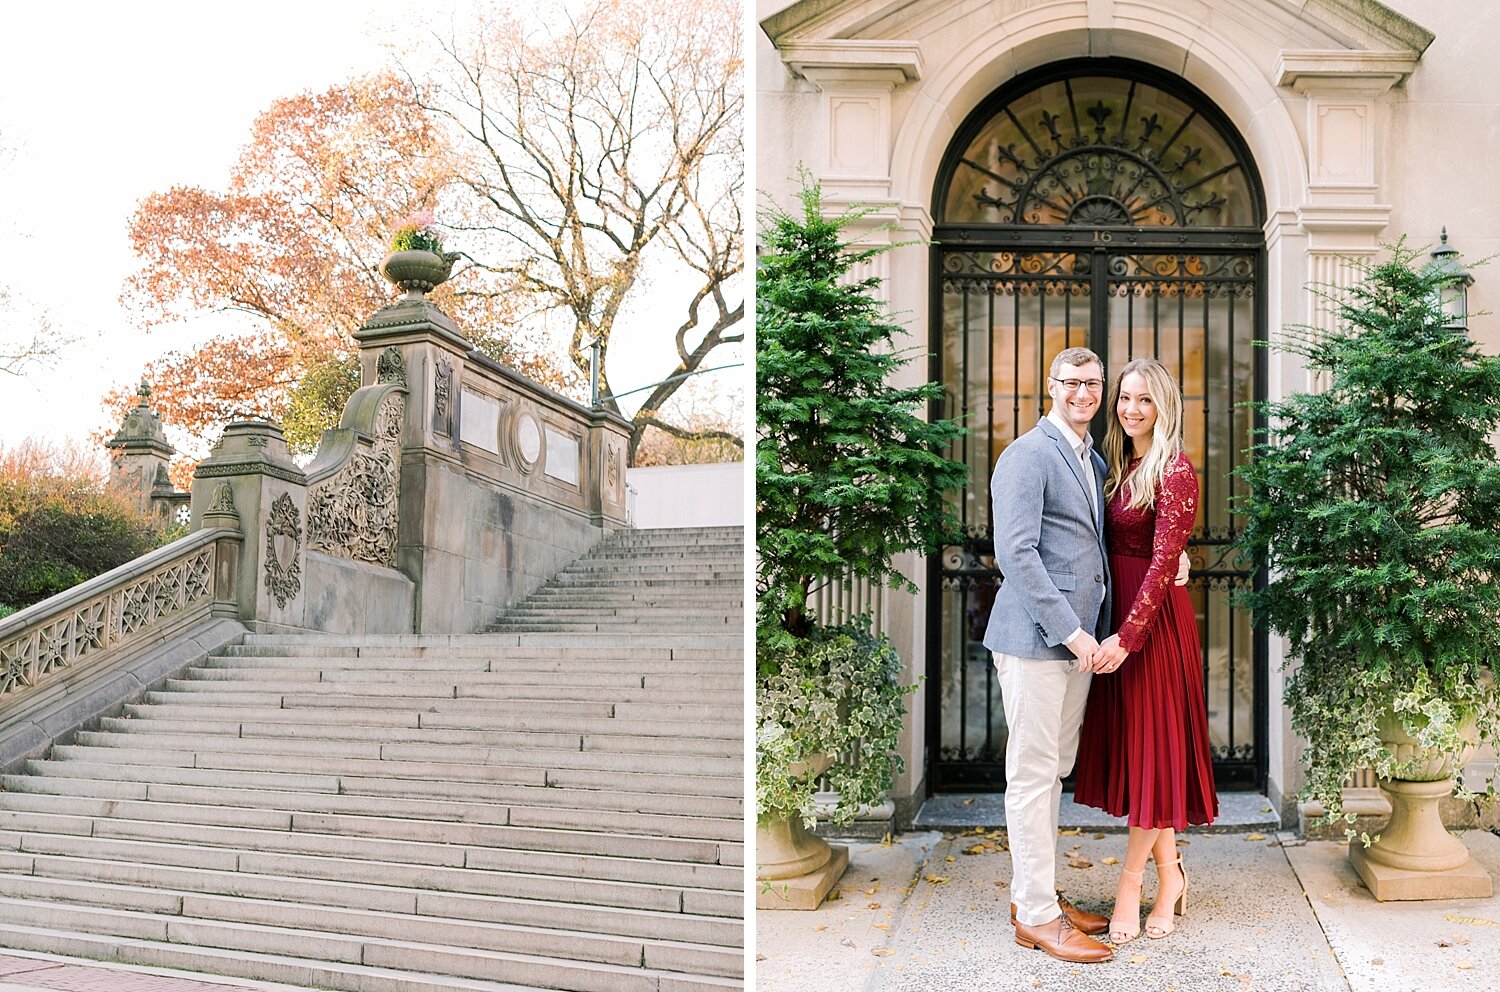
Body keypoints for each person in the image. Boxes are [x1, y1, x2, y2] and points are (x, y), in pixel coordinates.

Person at [981, 346, 1187, 964]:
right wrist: (1075, 635)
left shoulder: (1095, 460)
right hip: (1040, 641)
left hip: (1080, 645)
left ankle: (1037, 896)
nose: (1084, 393)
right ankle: (1038, 917)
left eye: (1093, 384)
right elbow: (1016, 555)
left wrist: (1177, 559)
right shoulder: (1026, 455)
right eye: (1072, 382)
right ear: (1050, 386)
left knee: (1052, 771)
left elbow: (1120, 536)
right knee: (1032, 773)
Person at [1073, 357, 1219, 944]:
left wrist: (1128, 639)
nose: (1131, 409)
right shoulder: (1117, 466)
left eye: (1144, 400)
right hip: (1118, 618)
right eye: (1125, 398)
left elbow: (1164, 562)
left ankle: (1131, 885)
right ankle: (1172, 873)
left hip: (1152, 629)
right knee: (1143, 760)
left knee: (1155, 756)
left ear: (1164, 406)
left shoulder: (1177, 470)